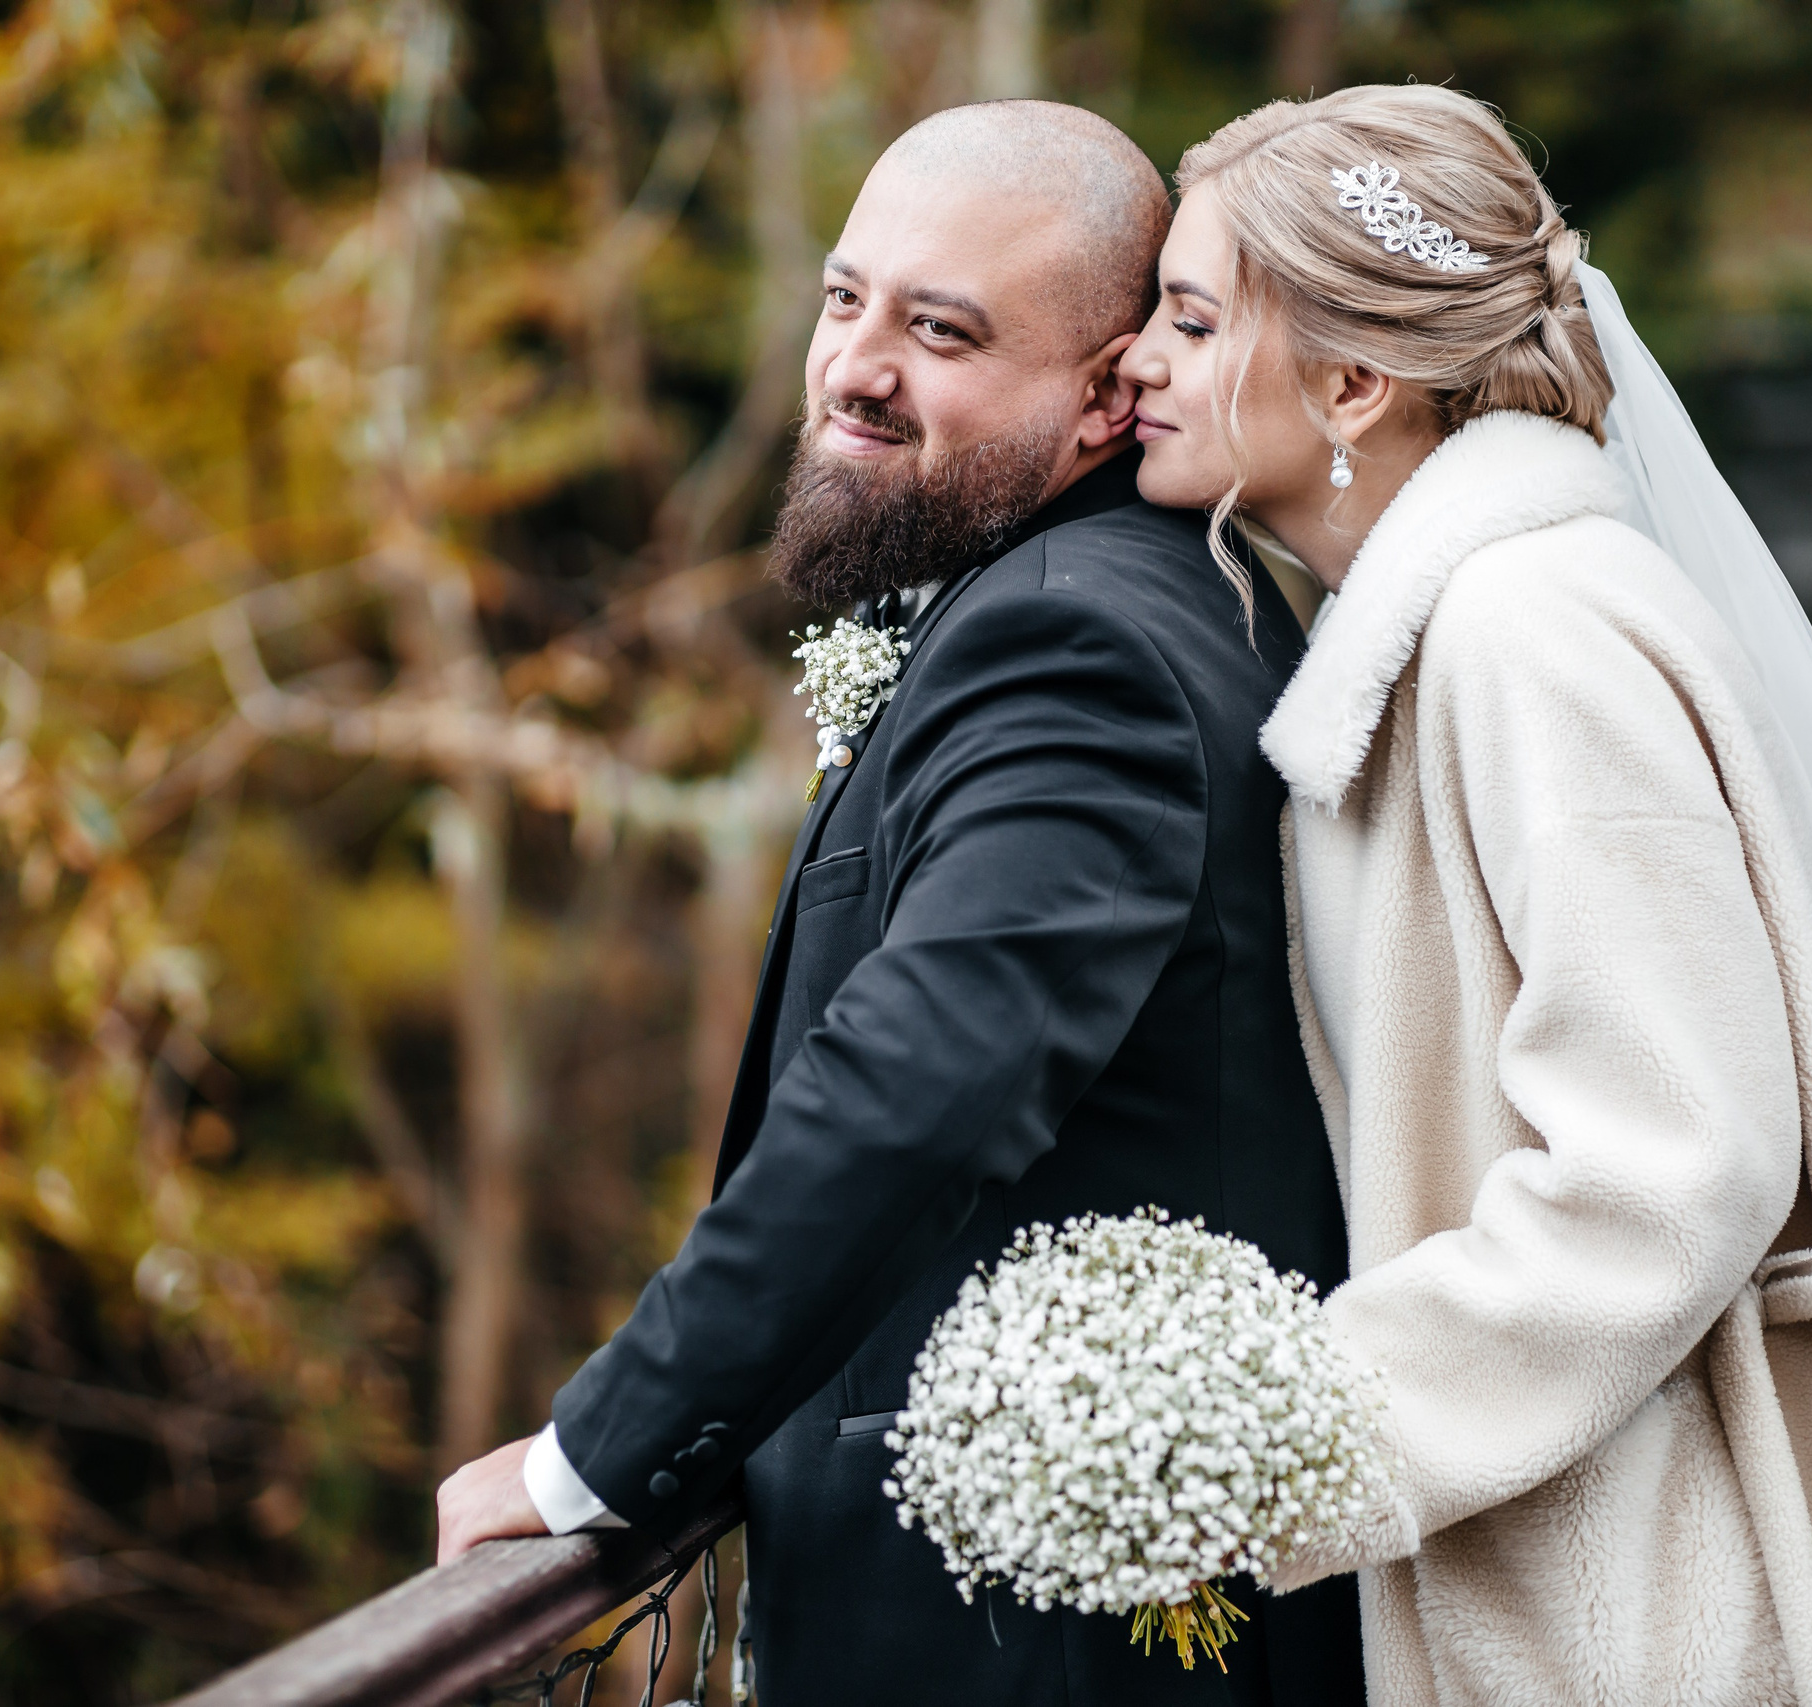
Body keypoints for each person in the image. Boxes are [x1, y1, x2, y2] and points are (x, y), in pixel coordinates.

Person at [1118, 84, 1812, 1706]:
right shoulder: (1459, 620)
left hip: (1662, 1592)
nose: (1138, 358)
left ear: (1354, 379)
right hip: (1580, 1549)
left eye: (1192, 318)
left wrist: (1258, 1448)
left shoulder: (1528, 630)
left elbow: (1671, 1163)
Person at [433, 99, 1365, 1706]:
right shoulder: (1079, 602)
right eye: (843, 297)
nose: (856, 365)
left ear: (1101, 398)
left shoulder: (1079, 650)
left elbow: (922, 1080)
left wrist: (595, 1454)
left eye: (939, 332)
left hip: (1033, 1647)